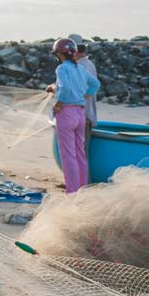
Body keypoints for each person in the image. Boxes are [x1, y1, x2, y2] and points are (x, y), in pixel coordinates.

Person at [47, 37, 100, 193]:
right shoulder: (81, 69)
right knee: (80, 154)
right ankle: (81, 190)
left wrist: (58, 102)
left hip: (66, 113)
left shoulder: (62, 69)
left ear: (60, 54)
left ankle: (72, 192)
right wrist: (86, 95)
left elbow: (64, 88)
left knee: (68, 155)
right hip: (80, 113)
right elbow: (96, 84)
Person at [67, 33, 98, 157]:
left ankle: (82, 178)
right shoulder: (83, 65)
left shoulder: (83, 66)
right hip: (82, 117)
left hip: (83, 118)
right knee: (78, 155)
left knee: (79, 156)